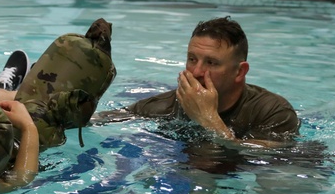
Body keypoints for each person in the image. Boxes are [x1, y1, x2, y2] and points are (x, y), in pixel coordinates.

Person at [102, 16, 299, 144]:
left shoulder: (272, 112)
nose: (196, 71)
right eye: (192, 59)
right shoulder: (167, 105)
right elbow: (99, 119)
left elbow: (266, 160)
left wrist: (207, 118)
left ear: (240, 72)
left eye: (211, 63)